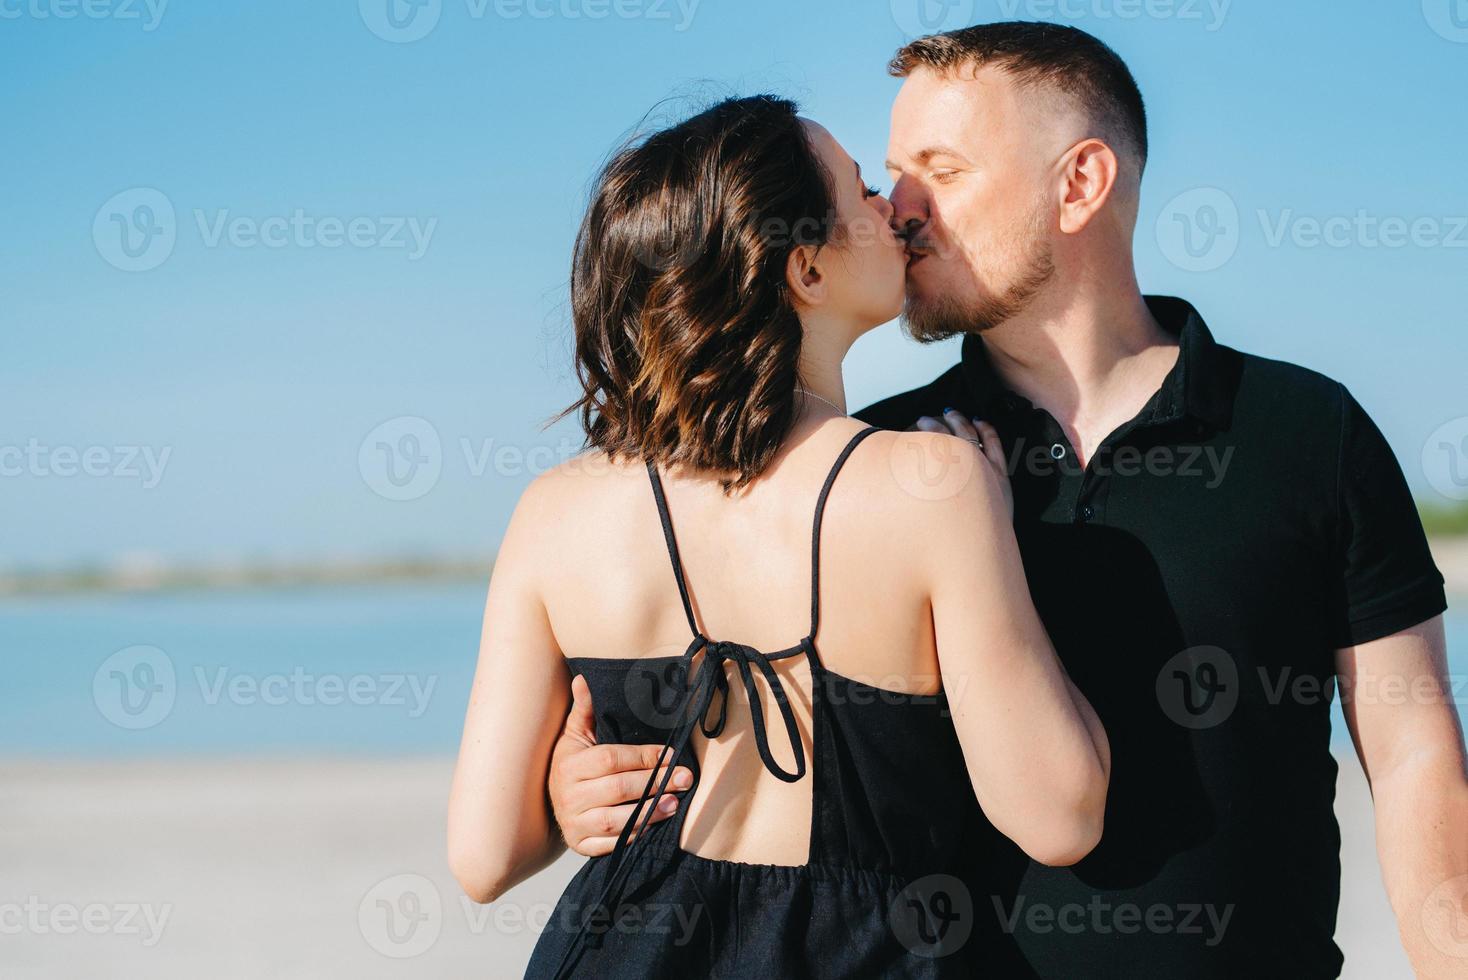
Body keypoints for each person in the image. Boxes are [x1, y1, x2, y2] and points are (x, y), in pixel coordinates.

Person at [545, 22, 1468, 980]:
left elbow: (1411, 756)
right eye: (893, 173)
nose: (899, 208)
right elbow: (767, 754)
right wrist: (586, 790)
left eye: (939, 169)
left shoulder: (1309, 431)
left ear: (1080, 183)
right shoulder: (880, 463)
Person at [446, 94, 1110, 978]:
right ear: (806, 271)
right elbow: (1058, 818)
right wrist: (987, 510)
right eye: (861, 192)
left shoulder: (555, 512)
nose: (893, 208)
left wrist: (570, 801)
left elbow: (486, 858)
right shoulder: (932, 485)